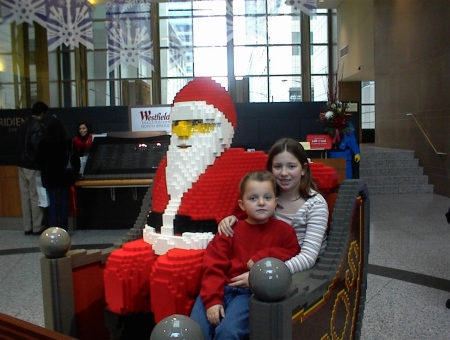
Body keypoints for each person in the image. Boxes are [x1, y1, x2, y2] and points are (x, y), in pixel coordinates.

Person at [190, 170, 300, 340]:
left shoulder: (284, 231)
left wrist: (262, 257)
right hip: (219, 287)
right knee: (196, 331)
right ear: (242, 205)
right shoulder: (229, 229)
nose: (261, 203)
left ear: (276, 202)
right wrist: (213, 300)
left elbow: (293, 252)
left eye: (267, 198)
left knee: (228, 333)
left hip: (247, 293)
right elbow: (213, 265)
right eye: (253, 198)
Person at [219, 138, 329, 276]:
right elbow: (248, 215)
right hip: (271, 263)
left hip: (305, 270)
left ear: (303, 169)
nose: (284, 173)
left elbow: (308, 258)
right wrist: (231, 219)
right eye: (278, 167)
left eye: (291, 166)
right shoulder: (267, 197)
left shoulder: (315, 204)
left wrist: (264, 274)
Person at [37, 116, 80, 231]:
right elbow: (75, 159)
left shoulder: (44, 142)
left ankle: (54, 228)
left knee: (53, 202)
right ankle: (64, 228)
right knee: (64, 202)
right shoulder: (68, 141)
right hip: (65, 176)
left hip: (50, 176)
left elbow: (39, 160)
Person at [16, 101, 48, 235]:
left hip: (21, 164)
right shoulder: (38, 127)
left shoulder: (23, 125)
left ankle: (27, 226)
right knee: (35, 195)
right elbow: (38, 147)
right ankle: (37, 226)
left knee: (25, 196)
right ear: (42, 113)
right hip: (33, 165)